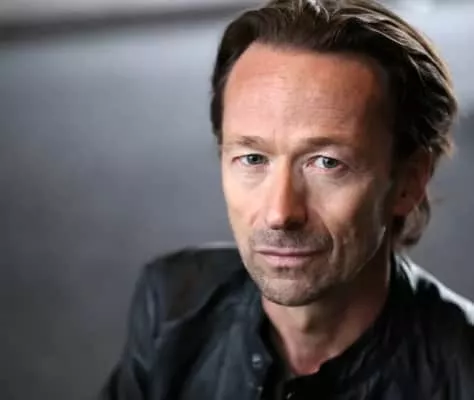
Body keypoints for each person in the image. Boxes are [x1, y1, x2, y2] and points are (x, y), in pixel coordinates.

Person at [101, 0, 474, 398]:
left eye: (327, 163)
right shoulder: (171, 304)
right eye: (253, 158)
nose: (280, 213)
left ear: (408, 182)